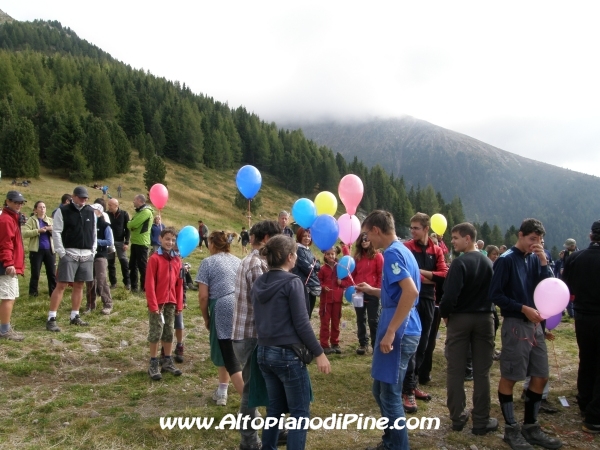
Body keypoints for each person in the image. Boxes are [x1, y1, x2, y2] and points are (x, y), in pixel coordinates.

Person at [251, 234, 331, 450]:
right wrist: (319, 353)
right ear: (289, 257)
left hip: (264, 352)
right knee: (299, 413)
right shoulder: (293, 282)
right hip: (287, 355)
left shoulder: (259, 282)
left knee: (274, 409)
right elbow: (302, 324)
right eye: (295, 254)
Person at [489, 218, 562, 450]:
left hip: (536, 326)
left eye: (540, 240)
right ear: (520, 235)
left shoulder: (535, 259)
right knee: (511, 376)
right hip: (516, 323)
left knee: (541, 375)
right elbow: (495, 294)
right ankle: (511, 429)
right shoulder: (506, 260)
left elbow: (550, 287)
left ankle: (531, 426)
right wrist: (523, 308)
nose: (536, 244)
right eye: (532, 239)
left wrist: (543, 261)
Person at [356, 210, 421, 450]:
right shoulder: (405, 250)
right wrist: (373, 290)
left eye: (367, 234)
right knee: (379, 389)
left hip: (400, 331)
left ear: (375, 230)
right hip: (406, 325)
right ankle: (390, 440)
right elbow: (398, 291)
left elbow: (411, 292)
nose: (367, 240)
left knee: (390, 394)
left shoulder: (393, 253)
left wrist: (391, 331)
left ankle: (397, 446)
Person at [439, 223, 497, 435]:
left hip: (460, 318)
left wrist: (445, 314)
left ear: (468, 239)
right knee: (482, 371)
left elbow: (449, 295)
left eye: (455, 238)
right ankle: (481, 420)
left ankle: (457, 417)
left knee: (455, 369)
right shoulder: (489, 262)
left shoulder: (459, 263)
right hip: (485, 318)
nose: (452, 241)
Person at [231, 220, 282, 450]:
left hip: (247, 334)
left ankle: (275, 431)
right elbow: (267, 303)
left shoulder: (256, 261)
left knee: (266, 386)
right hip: (252, 335)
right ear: (267, 239)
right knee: (252, 392)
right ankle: (249, 441)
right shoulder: (257, 265)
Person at [402, 212, 448, 412]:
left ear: (426, 229)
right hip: (411, 299)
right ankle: (407, 390)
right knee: (410, 341)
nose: (412, 231)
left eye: (416, 228)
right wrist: (429, 277)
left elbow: (444, 275)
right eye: (411, 227)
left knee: (424, 343)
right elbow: (406, 274)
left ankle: (413, 385)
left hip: (429, 299)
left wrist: (420, 272)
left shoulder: (436, 250)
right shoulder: (406, 248)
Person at [562, 220, 600, 434]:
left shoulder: (575, 258)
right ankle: (595, 416)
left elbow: (565, 286)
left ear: (590, 236)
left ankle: (585, 401)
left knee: (586, 358)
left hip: (582, 316)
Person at [196, 231, 243, 406]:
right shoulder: (238, 261)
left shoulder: (207, 262)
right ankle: (222, 389)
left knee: (224, 352)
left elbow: (202, 296)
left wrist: (206, 318)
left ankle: (243, 400)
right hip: (240, 306)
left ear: (213, 244)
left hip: (221, 306)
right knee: (236, 350)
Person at [46, 186, 96, 332]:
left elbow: (93, 232)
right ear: (73, 197)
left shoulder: (90, 212)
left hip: (86, 254)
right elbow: (56, 232)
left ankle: (75, 315)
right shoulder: (63, 211)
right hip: (69, 252)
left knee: (79, 285)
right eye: (81, 197)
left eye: (86, 198)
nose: (84, 200)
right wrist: (61, 252)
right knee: (61, 285)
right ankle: (51, 318)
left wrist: (93, 251)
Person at [145, 227, 183, 380]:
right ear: (160, 239)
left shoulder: (177, 260)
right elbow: (149, 283)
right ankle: (153, 362)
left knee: (168, 331)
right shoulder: (154, 259)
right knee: (156, 332)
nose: (170, 242)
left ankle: (167, 360)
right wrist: (153, 304)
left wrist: (179, 304)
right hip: (158, 303)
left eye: (173, 240)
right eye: (167, 239)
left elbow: (179, 284)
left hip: (171, 302)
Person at [0, 191, 27, 341]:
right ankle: (4, 330)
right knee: (8, 297)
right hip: (6, 264)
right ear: (8, 201)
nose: (19, 205)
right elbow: (5, 243)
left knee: (9, 296)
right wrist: (9, 263)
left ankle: (5, 328)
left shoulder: (12, 218)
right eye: (15, 202)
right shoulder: (6, 220)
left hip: (9, 263)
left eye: (21, 202)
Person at [351, 232, 383, 355]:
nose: (364, 241)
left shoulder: (378, 256)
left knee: (373, 320)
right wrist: (350, 285)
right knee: (360, 319)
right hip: (359, 291)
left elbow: (381, 274)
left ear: (370, 241)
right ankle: (363, 344)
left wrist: (377, 290)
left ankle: (376, 345)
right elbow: (352, 274)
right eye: (362, 240)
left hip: (372, 291)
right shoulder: (357, 257)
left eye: (366, 239)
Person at [21, 201, 57, 297]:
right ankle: (33, 294)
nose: (42, 209)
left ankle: (53, 293)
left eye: (44, 207)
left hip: (50, 250)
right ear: (35, 209)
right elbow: (25, 233)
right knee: (35, 273)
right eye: (40, 207)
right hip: (36, 251)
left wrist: (51, 229)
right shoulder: (31, 220)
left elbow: (58, 234)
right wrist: (38, 231)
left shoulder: (50, 220)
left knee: (52, 273)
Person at [84, 202, 114, 315]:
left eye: (94, 210)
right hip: (89, 255)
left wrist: (96, 242)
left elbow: (109, 241)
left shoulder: (105, 225)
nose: (91, 212)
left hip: (101, 255)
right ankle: (90, 305)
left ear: (100, 212)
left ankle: (108, 304)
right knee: (89, 280)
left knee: (101, 280)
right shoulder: (87, 224)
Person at [318, 246, 344, 354]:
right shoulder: (322, 269)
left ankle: (335, 343)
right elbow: (318, 282)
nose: (330, 256)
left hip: (337, 300)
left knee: (336, 323)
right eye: (328, 254)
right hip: (326, 301)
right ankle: (324, 345)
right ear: (325, 255)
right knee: (325, 322)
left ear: (336, 254)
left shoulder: (341, 268)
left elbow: (347, 281)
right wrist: (323, 287)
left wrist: (341, 283)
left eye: (332, 254)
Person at [292, 227, 321, 318]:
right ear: (299, 236)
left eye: (309, 236)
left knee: (309, 313)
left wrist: (314, 265)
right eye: (304, 236)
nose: (307, 238)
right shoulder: (298, 250)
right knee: (303, 314)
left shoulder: (308, 250)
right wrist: (313, 265)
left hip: (311, 286)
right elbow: (308, 268)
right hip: (303, 285)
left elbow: (317, 265)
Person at [127, 194, 153, 293]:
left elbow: (132, 224)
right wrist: (131, 225)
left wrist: (131, 225)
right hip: (135, 242)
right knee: (132, 265)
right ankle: (134, 287)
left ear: (139, 200)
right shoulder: (139, 212)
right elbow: (130, 224)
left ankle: (145, 288)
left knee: (142, 267)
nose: (133, 202)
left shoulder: (146, 212)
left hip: (142, 243)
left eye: (134, 200)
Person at [106, 198, 131, 290]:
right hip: (109, 242)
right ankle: (113, 282)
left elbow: (128, 229)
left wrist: (126, 242)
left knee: (124, 262)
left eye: (110, 205)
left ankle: (127, 283)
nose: (109, 207)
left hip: (120, 242)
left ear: (116, 205)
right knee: (110, 263)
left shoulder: (124, 214)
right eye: (108, 205)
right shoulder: (106, 214)